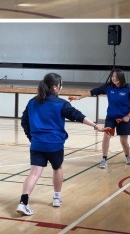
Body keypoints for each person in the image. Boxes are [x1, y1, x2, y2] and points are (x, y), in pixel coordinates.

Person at [17, 73, 104, 216]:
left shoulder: (32, 102)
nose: (61, 87)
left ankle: (23, 203)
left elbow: (24, 121)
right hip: (55, 144)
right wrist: (95, 126)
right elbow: (78, 115)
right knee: (57, 168)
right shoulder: (61, 104)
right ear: (54, 87)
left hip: (37, 144)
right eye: (60, 85)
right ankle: (57, 198)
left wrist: (31, 137)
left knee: (34, 173)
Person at [71, 68, 130, 169]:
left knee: (123, 141)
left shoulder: (129, 90)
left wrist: (128, 116)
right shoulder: (108, 87)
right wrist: (79, 97)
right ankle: (104, 159)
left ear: (121, 78)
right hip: (111, 118)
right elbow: (93, 91)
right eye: (112, 76)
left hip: (123, 119)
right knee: (106, 137)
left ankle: (127, 155)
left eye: (116, 77)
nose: (114, 78)